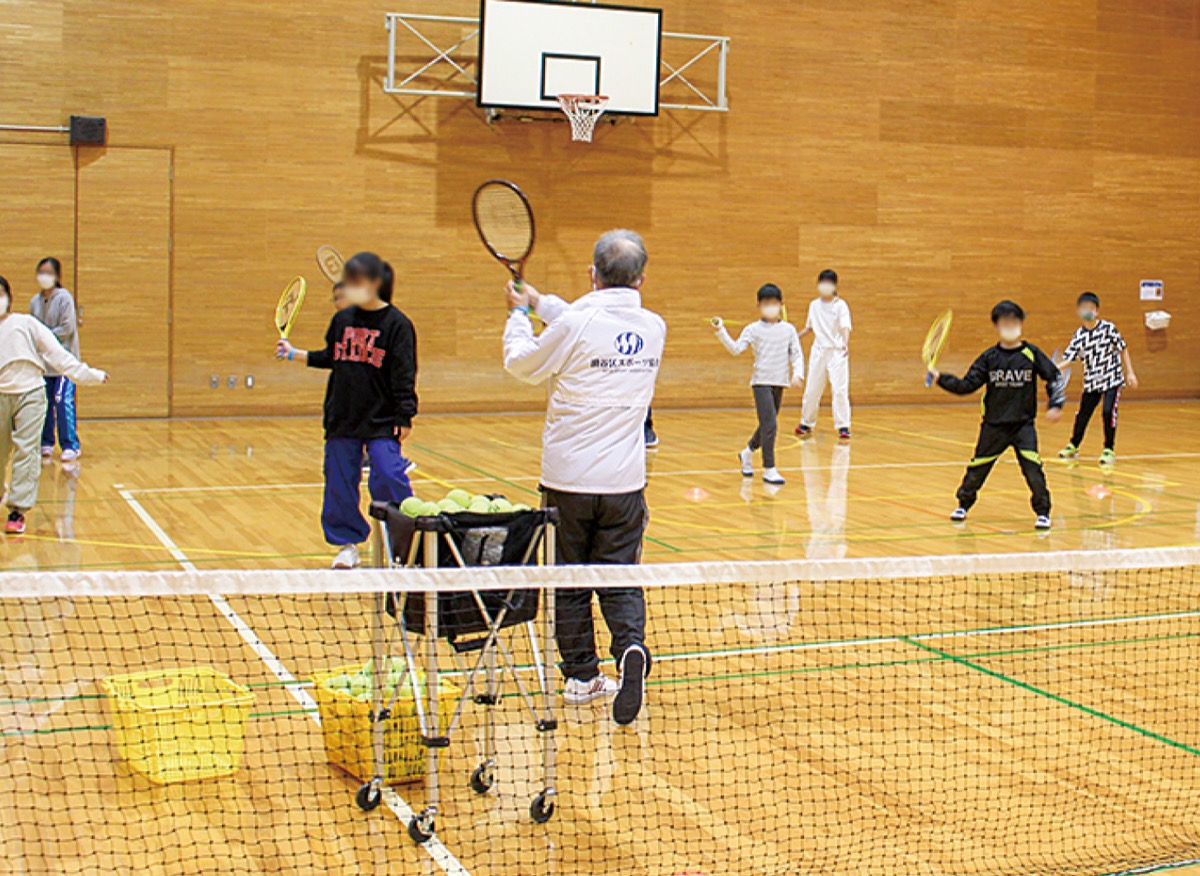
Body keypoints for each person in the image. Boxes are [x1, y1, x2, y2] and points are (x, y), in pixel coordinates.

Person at [503, 229, 665, 726]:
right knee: (618, 576)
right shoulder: (655, 326)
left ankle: (580, 676)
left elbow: (521, 364)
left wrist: (518, 315)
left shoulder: (577, 323)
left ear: (592, 274)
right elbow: (588, 319)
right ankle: (630, 647)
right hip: (624, 483)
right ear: (641, 277)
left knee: (569, 580)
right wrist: (540, 301)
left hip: (568, 482)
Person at [275, 252, 417, 569]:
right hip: (342, 416)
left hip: (381, 418)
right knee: (339, 481)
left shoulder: (398, 325)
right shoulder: (342, 320)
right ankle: (346, 544)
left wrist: (404, 414)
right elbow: (333, 357)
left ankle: (402, 544)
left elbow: (404, 373)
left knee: (389, 475)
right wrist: (295, 354)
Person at [929, 300, 1064, 530]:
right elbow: (967, 385)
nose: (1010, 325)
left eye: (1014, 320)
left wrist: (1056, 404)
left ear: (1021, 323)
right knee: (977, 469)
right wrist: (941, 378)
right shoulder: (989, 358)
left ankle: (1043, 512)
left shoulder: (1032, 354)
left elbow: (1054, 377)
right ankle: (963, 504)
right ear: (996, 326)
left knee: (1033, 470)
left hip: (1023, 426)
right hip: (994, 426)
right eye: (1004, 321)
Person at [0, 275, 108, 534]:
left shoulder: (26, 324)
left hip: (31, 395)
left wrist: (90, 375)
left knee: (28, 451)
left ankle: (17, 510)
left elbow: (59, 356)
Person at [713, 283, 804, 485]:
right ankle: (769, 468)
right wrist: (721, 331)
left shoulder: (789, 330)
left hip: (779, 383)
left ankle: (747, 452)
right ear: (758, 306)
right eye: (765, 304)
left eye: (773, 303)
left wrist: (798, 374)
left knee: (766, 425)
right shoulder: (753, 329)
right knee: (771, 424)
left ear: (781, 304)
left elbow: (796, 354)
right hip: (761, 382)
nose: (770, 307)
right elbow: (736, 348)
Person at [1057, 292, 1138, 465]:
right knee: (1083, 415)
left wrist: (1130, 372)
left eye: (1091, 308)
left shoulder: (1108, 328)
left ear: (1097, 311)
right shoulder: (1079, 335)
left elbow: (1123, 348)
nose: (1087, 312)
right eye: (1084, 308)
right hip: (1092, 382)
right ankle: (1074, 445)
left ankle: (1109, 449)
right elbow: (1068, 359)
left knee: (1108, 411)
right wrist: (1052, 369)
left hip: (1112, 379)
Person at [29, 257, 82, 462]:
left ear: (58, 276)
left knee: (62, 400)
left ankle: (71, 444)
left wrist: (45, 337)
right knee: (44, 402)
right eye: (41, 271)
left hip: (64, 364)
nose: (44, 276)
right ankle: (46, 442)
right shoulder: (35, 301)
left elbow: (67, 328)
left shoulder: (64, 298)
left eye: (49, 272)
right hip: (44, 364)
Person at [795, 269, 852, 440]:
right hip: (819, 351)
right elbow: (809, 327)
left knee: (840, 390)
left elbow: (845, 327)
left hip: (837, 352)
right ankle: (806, 422)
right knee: (812, 388)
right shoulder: (814, 305)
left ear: (834, 286)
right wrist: (793, 337)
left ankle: (843, 426)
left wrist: (845, 343)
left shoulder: (840, 305)